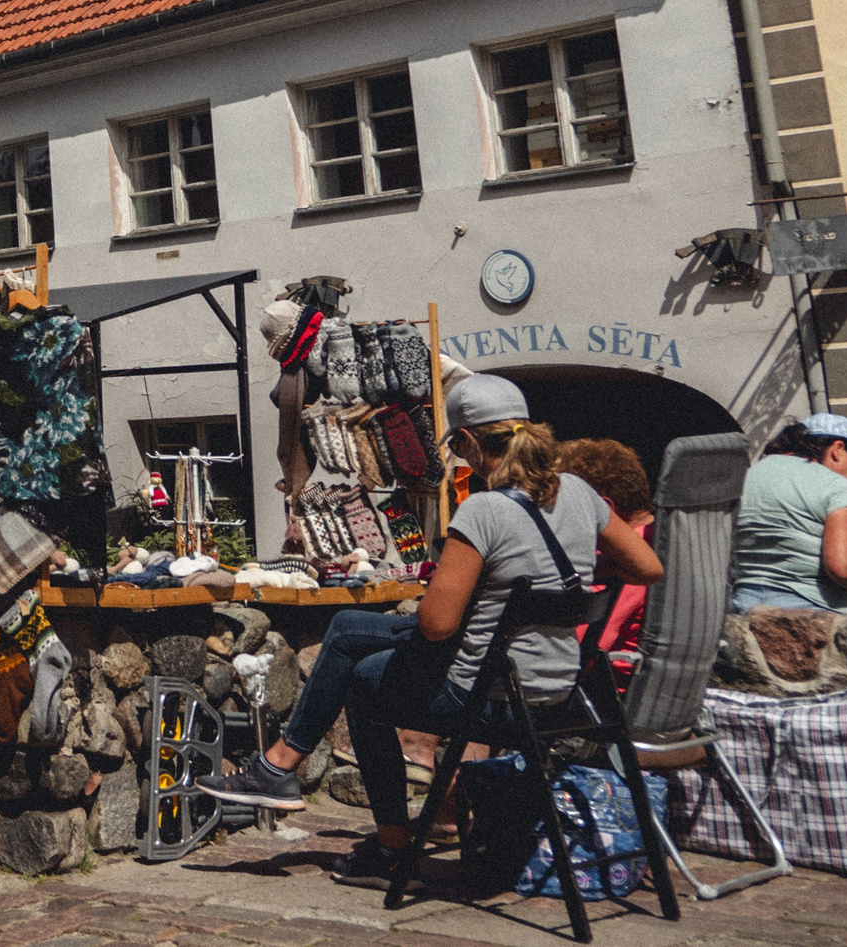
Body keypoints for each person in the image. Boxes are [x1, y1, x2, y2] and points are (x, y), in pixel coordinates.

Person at [197, 374, 662, 888]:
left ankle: (380, 840)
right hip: (558, 689)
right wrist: (566, 584)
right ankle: (284, 767)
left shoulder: (484, 510)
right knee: (351, 628)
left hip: (495, 696)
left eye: (459, 451)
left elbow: (438, 626)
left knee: (363, 678)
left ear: (465, 442)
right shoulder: (579, 493)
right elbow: (647, 567)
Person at [733, 413, 847, 612]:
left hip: (745, 605)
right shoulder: (836, 486)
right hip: (814, 617)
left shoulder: (747, 477)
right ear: (838, 449)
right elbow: (845, 569)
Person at [556, 438, 654, 675]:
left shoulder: (624, 561)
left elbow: (579, 650)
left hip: (602, 696)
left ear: (602, 508)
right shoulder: (659, 540)